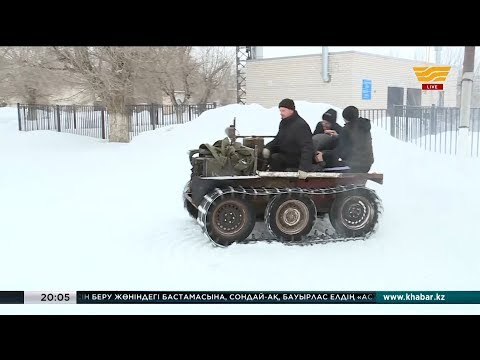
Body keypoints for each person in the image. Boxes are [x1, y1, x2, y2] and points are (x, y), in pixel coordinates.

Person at [262, 98, 313, 179]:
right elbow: (278, 139)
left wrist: (304, 168)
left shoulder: (300, 125)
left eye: (283, 111)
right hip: (285, 154)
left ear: (291, 110)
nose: (281, 113)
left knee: (276, 158)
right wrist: (268, 147)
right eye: (280, 111)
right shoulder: (284, 123)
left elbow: (307, 147)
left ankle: (277, 181)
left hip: (295, 158)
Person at [314, 105, 374, 173]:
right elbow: (354, 142)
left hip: (354, 165)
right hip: (365, 164)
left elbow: (341, 151)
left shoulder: (348, 129)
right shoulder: (362, 126)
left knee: (323, 170)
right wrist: (339, 137)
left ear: (345, 118)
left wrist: (323, 154)